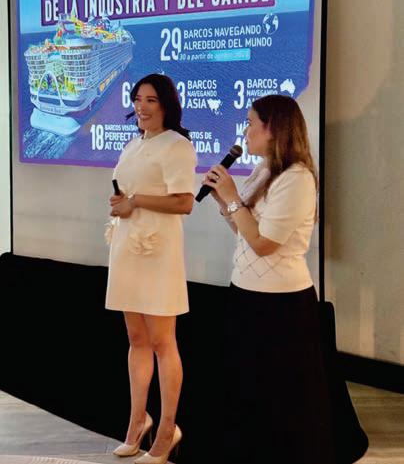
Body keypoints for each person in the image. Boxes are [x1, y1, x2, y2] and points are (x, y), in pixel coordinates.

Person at [203, 94, 336, 464]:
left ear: (273, 129)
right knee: (249, 386)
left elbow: (264, 244)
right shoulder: (264, 170)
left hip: (281, 303)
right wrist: (222, 201)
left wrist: (232, 198)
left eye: (250, 123)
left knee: (283, 393)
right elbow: (245, 230)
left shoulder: (297, 179)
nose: (245, 131)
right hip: (246, 292)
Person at [105, 73, 196, 464]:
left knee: (162, 342)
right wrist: (122, 204)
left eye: (150, 100)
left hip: (158, 252)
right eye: (137, 99)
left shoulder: (177, 145)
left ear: (166, 105)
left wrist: (136, 201)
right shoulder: (134, 143)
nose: (141, 107)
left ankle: (167, 429)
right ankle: (137, 421)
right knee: (136, 337)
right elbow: (128, 193)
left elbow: (184, 202)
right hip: (128, 247)